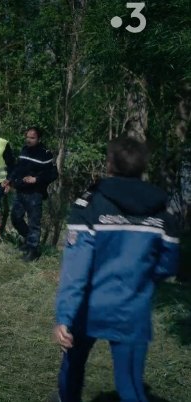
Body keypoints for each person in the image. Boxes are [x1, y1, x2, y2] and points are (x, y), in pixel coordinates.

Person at [52, 137, 180, 402]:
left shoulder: (89, 205)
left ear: (110, 165)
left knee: (73, 368)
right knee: (131, 387)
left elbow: (76, 267)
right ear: (142, 167)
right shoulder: (163, 212)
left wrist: (64, 316)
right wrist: (142, 280)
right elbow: (168, 263)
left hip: (88, 307)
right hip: (133, 309)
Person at [10, 127, 58, 261]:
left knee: (34, 223)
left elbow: (53, 174)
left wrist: (36, 179)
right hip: (20, 191)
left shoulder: (45, 154)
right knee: (15, 218)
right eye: (27, 137)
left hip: (35, 193)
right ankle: (28, 240)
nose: (29, 140)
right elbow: (18, 167)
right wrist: (10, 180)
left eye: (32, 138)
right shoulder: (24, 150)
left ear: (39, 139)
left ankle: (33, 250)